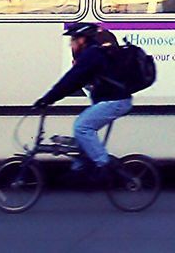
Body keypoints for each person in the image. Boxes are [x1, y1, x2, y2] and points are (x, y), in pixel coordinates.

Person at [33, 22, 132, 179]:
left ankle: (103, 165)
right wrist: (51, 98)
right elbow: (75, 83)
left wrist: (47, 99)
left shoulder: (92, 54)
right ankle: (81, 168)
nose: (70, 45)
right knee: (83, 133)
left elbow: (70, 79)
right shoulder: (92, 53)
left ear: (81, 40)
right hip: (110, 99)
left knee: (82, 127)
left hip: (115, 101)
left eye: (72, 40)